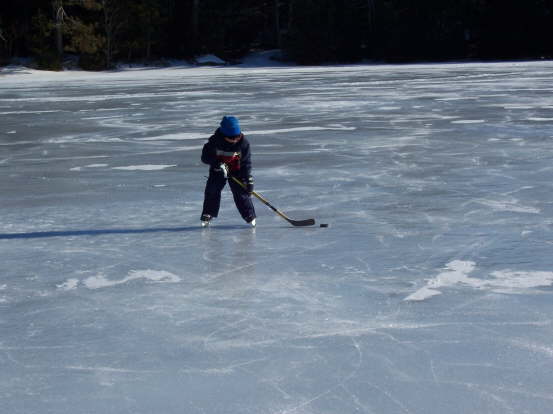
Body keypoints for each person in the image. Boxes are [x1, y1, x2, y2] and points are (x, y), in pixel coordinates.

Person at [200, 116, 256, 227]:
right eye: (231, 138)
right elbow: (205, 157)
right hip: (218, 170)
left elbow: (246, 163)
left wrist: (248, 179)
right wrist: (217, 164)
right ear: (224, 135)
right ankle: (208, 214)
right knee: (212, 190)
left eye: (237, 137)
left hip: (237, 171)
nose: (234, 140)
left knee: (241, 193)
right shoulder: (214, 141)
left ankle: (249, 215)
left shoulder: (244, 143)